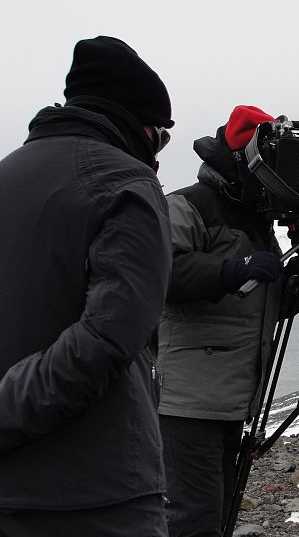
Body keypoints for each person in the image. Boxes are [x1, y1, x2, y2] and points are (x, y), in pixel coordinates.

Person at [0, 36, 175, 535]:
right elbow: (107, 339)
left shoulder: (6, 174)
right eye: (161, 136)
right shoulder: (127, 183)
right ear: (140, 125)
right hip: (96, 493)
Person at [156, 105, 283, 536]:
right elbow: (163, 273)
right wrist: (231, 269)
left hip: (232, 398)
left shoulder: (258, 218)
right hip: (187, 400)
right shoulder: (186, 204)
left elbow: (256, 305)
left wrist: (297, 280)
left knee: (220, 509)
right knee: (193, 516)